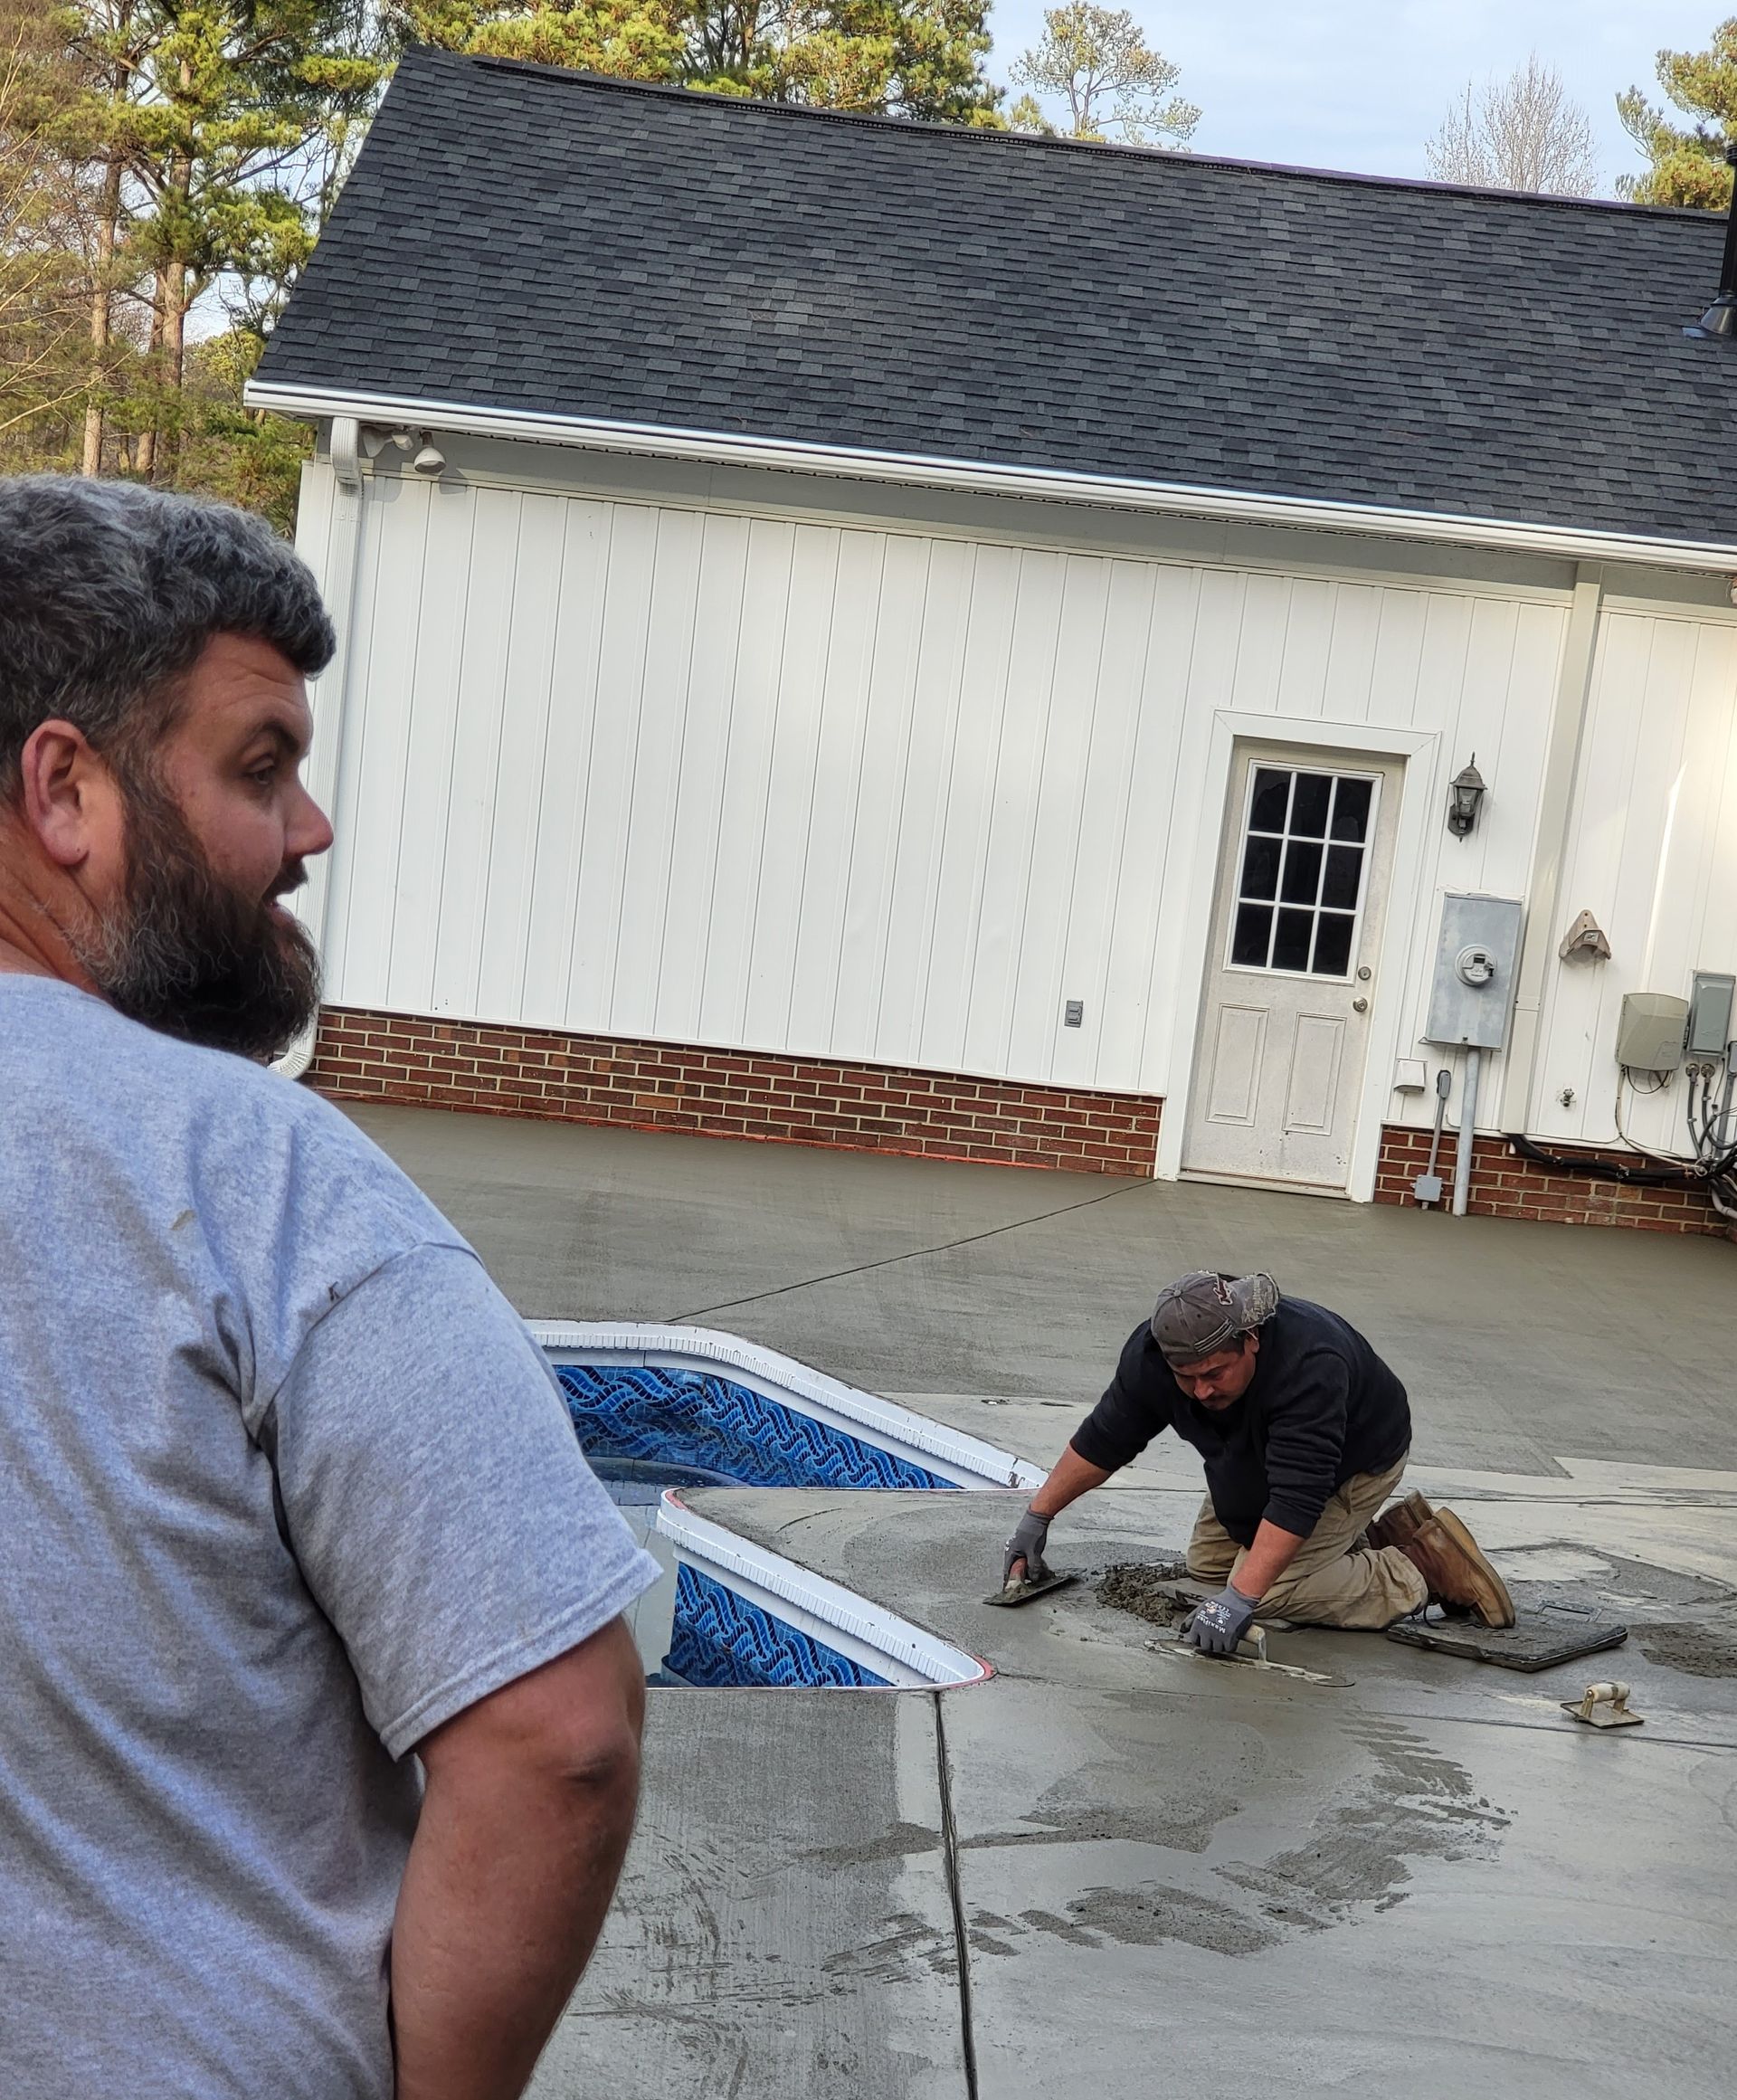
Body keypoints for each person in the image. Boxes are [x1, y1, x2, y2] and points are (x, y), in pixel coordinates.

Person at [0, 476, 662, 2099]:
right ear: (66, 791)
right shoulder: (253, 1175)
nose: (310, 830)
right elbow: (555, 1739)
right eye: (260, 766)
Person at [1002, 1269, 1513, 1652]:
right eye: (1187, 1379)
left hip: (1352, 1462)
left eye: (1216, 1373)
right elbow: (1104, 1439)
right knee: (1208, 1572)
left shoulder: (1309, 1364)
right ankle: (1347, 1548)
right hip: (1251, 1457)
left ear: (1251, 1339)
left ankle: (1420, 1567)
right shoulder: (1155, 1354)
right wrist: (1037, 1516)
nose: (1201, 1390)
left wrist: (1243, 1601)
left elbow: (1298, 1494)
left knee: (1262, 1594)